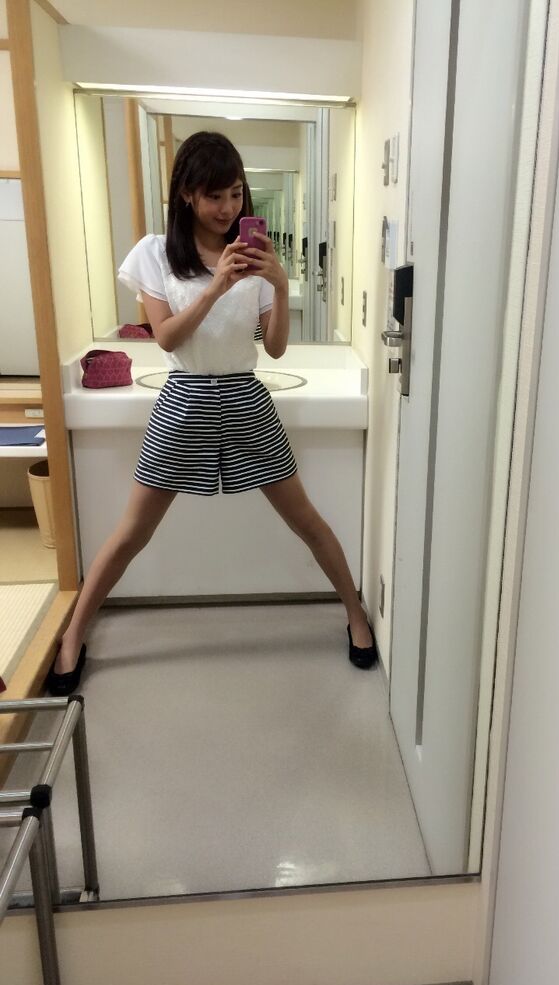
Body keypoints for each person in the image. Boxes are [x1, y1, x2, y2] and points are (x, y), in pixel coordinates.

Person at [46, 131, 376, 695]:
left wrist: (277, 284)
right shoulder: (155, 254)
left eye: (235, 194)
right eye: (214, 195)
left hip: (247, 398)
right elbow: (168, 339)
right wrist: (215, 286)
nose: (228, 208)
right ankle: (73, 635)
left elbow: (275, 349)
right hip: (184, 400)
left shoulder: (256, 257)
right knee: (132, 532)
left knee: (306, 520)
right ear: (186, 194)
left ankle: (355, 615)